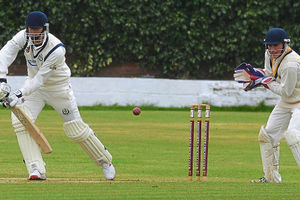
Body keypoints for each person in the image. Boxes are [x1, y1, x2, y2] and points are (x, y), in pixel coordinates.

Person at [0, 11, 115, 180]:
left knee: (76, 128)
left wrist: (18, 93)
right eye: (30, 31)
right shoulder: (22, 37)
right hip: (35, 91)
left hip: (58, 89)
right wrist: (1, 82)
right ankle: (36, 168)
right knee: (20, 121)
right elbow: (4, 54)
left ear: (45, 29)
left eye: (37, 31)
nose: (33, 36)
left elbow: (40, 79)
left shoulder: (56, 49)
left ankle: (105, 161)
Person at [234, 28, 300, 183]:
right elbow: (271, 77)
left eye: (275, 46)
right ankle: (271, 178)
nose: (272, 49)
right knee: (267, 137)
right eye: (269, 46)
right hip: (287, 102)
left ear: (284, 44)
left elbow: (285, 90)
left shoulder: (291, 63)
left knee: (292, 135)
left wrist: (262, 81)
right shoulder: (269, 55)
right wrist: (257, 75)